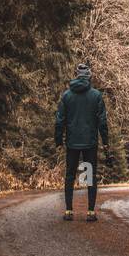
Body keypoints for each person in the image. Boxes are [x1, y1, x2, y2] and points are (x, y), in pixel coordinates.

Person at [54, 61, 109, 221]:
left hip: (72, 142)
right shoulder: (96, 95)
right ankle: (90, 212)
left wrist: (58, 141)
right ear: (89, 76)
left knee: (70, 175)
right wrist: (105, 142)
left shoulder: (66, 96)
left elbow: (59, 121)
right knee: (90, 175)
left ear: (76, 75)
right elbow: (102, 122)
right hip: (90, 142)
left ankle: (69, 211)